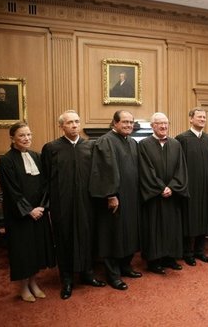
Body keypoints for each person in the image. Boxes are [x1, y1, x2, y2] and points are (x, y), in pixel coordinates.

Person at [41, 110, 105, 300]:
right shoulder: (51, 148)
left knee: (87, 236)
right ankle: (67, 279)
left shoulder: (89, 146)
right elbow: (45, 178)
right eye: (70, 122)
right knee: (65, 238)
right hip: (62, 203)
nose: (75, 125)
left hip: (86, 201)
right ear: (61, 126)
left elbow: (97, 174)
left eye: (77, 121)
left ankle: (87, 273)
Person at [0, 122, 55, 303]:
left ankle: (33, 283)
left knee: (36, 250)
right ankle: (23, 287)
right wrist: (28, 210)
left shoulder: (37, 156)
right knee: (22, 252)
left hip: (38, 212)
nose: (27, 138)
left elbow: (46, 185)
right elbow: (11, 190)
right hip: (19, 214)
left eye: (29, 135)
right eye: (22, 135)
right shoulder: (5, 161)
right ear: (12, 138)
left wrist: (42, 207)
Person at [89, 110, 142, 290]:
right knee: (113, 235)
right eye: (125, 122)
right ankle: (113, 275)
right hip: (115, 198)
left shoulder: (133, 142)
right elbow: (103, 171)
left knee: (129, 232)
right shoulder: (105, 141)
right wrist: (111, 195)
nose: (128, 125)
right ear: (115, 123)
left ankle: (126, 266)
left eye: (131, 122)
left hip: (131, 196)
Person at [138, 112, 188, 274]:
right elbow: (146, 170)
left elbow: (181, 168)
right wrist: (160, 188)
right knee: (154, 227)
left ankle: (170, 258)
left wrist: (172, 187)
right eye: (160, 123)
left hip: (172, 195)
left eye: (166, 123)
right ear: (153, 126)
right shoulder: (144, 144)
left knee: (172, 227)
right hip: (154, 195)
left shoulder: (176, 144)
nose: (164, 126)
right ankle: (154, 261)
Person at [175, 108, 208, 266]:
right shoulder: (182, 139)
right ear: (191, 119)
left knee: (204, 219)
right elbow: (178, 165)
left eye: (204, 117)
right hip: (189, 187)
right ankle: (187, 252)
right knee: (190, 219)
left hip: (206, 187)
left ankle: (200, 251)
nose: (202, 119)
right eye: (199, 117)